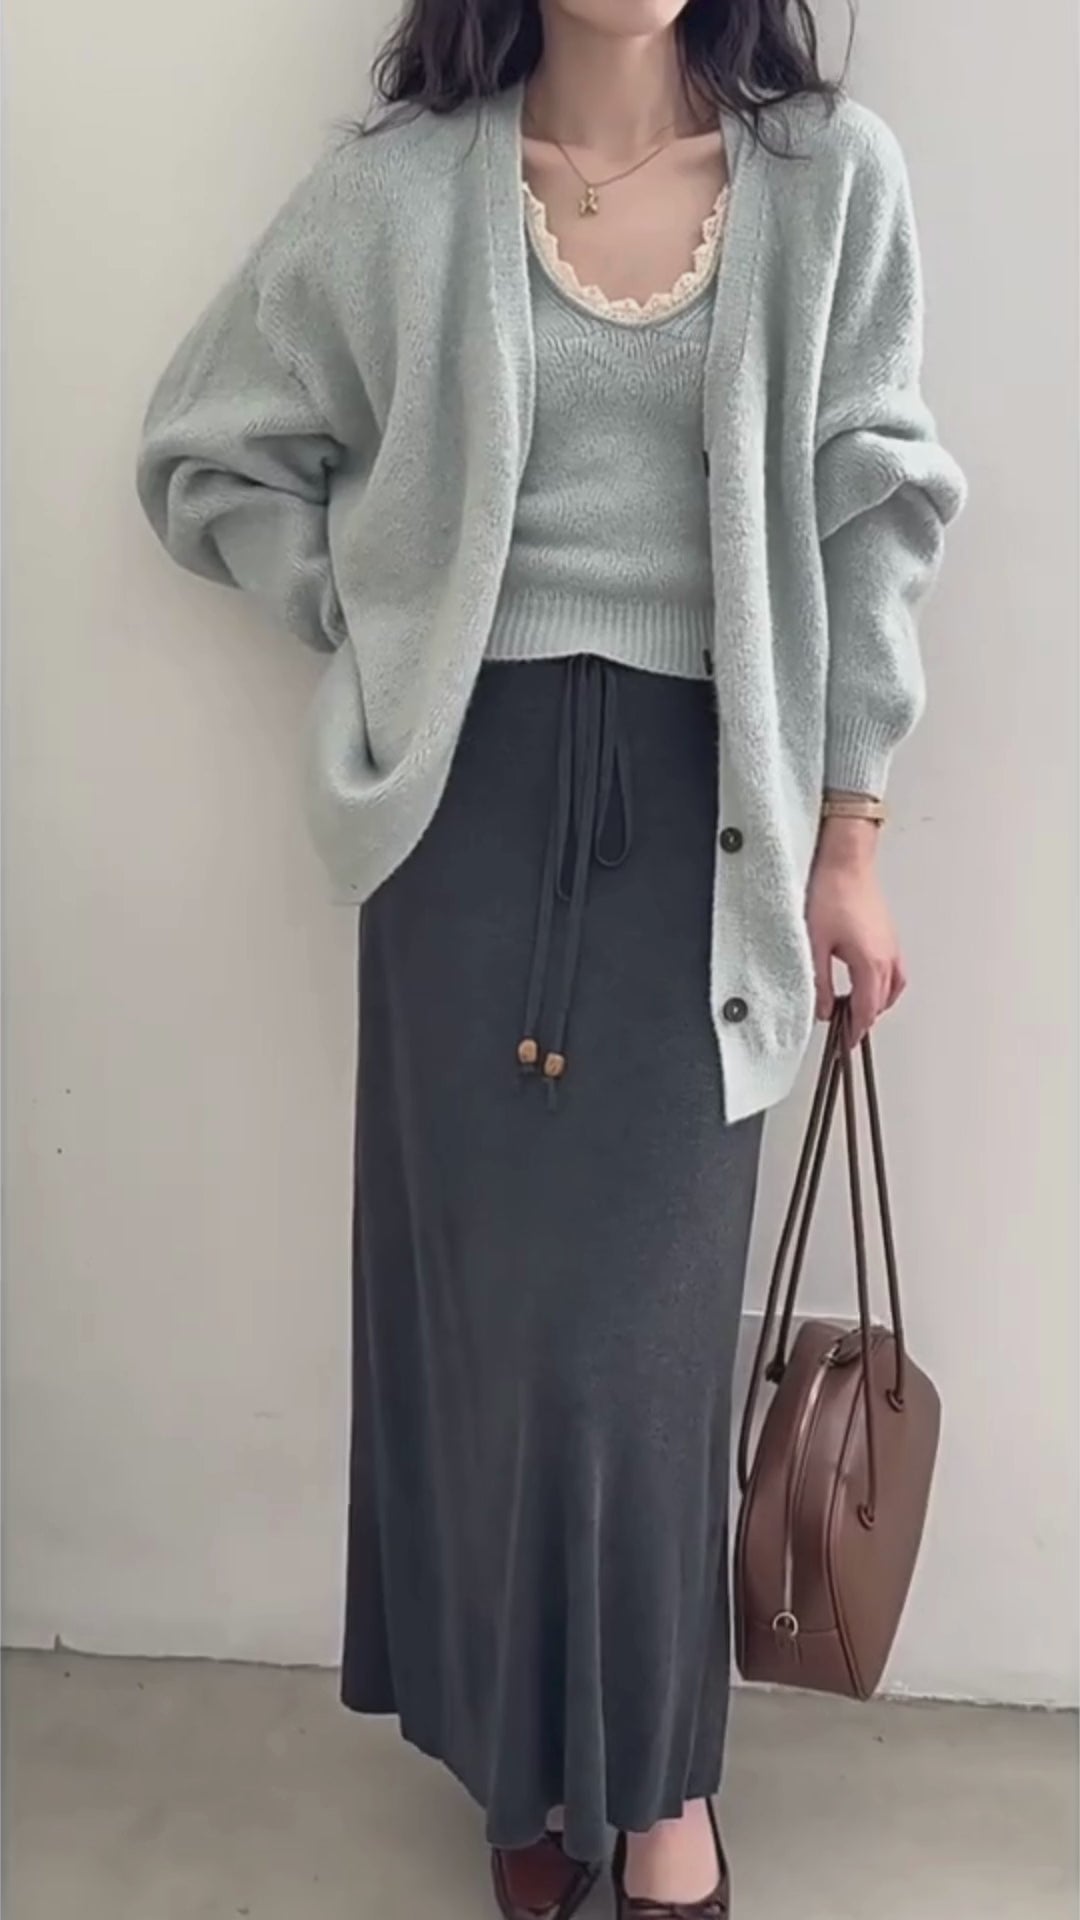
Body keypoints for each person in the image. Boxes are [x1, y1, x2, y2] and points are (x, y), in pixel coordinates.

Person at [137, 1, 965, 1913]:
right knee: (492, 1339)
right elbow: (207, 449)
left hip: (711, 829)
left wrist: (853, 835)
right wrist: (380, 605)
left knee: (635, 1355)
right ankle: (520, 1758)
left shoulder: (828, 181)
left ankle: (657, 1789)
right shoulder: (404, 192)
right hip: (465, 822)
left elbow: (879, 515)